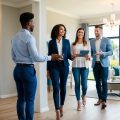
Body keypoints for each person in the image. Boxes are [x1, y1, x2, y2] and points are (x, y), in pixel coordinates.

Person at [11, 12, 61, 120]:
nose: (34, 24)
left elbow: (13, 57)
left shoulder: (14, 37)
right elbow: (36, 57)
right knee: (29, 100)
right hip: (27, 71)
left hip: (17, 70)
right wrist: (50, 57)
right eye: (33, 22)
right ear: (29, 23)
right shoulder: (29, 37)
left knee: (21, 98)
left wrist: (21, 61)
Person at [47, 24, 73, 120]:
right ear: (56, 30)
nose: (63, 31)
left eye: (64, 30)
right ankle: (57, 110)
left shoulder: (66, 41)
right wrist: (47, 69)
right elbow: (49, 56)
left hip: (64, 66)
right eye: (61, 29)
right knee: (56, 88)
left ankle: (61, 106)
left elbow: (69, 55)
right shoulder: (51, 42)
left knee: (63, 87)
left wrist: (74, 56)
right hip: (54, 67)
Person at [90, 25, 113, 109]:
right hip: (95, 64)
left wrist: (103, 53)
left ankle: (104, 100)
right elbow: (91, 52)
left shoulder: (107, 40)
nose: (96, 32)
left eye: (97, 31)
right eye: (95, 31)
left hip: (104, 65)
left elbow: (111, 52)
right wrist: (90, 55)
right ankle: (99, 98)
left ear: (101, 31)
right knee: (97, 82)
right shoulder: (91, 41)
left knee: (104, 82)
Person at [71, 28, 90, 111]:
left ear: (83, 34)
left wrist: (88, 57)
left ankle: (84, 95)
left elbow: (89, 55)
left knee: (84, 85)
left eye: (82, 32)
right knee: (77, 84)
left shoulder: (87, 43)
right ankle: (78, 102)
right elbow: (71, 56)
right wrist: (73, 56)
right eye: (79, 32)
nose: (80, 33)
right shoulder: (73, 44)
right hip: (75, 66)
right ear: (77, 33)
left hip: (84, 66)